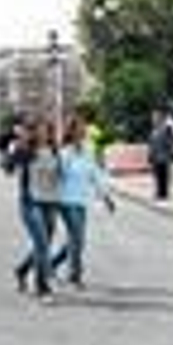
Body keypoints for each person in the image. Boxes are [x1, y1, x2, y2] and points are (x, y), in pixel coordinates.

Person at [48, 115, 115, 289]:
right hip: (65, 201)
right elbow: (56, 177)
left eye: (84, 127)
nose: (83, 130)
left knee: (75, 239)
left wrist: (106, 196)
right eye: (79, 127)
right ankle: (75, 276)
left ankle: (51, 264)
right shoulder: (64, 153)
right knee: (77, 238)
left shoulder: (88, 150)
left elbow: (95, 174)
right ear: (72, 131)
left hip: (81, 200)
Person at [10, 120, 63, 303]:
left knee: (43, 244)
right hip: (31, 203)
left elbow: (60, 176)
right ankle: (42, 287)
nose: (44, 134)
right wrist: (19, 144)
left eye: (48, 131)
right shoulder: (26, 151)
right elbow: (8, 166)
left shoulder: (55, 151)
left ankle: (22, 270)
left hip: (51, 203)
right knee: (42, 243)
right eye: (40, 131)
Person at [147, 108, 173, 201]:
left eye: (156, 117)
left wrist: (170, 152)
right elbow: (151, 144)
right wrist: (150, 155)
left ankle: (163, 193)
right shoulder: (153, 131)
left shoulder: (166, 129)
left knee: (163, 176)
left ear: (161, 118)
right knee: (157, 175)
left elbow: (170, 142)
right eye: (153, 118)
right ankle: (159, 192)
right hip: (156, 156)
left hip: (163, 156)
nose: (154, 119)